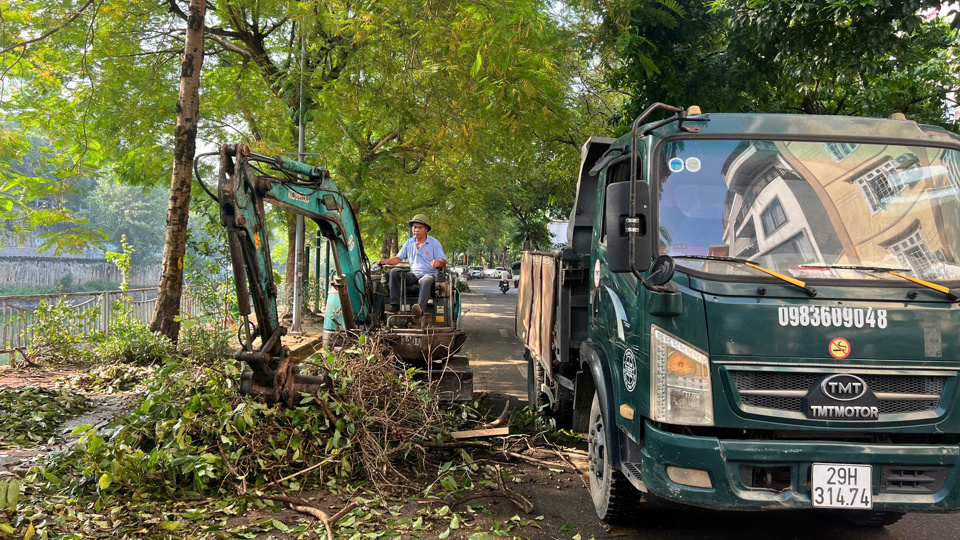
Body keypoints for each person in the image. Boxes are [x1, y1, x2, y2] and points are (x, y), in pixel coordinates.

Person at [377, 214, 446, 316]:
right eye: (414, 227)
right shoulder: (409, 243)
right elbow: (397, 259)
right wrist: (385, 261)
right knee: (394, 272)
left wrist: (438, 262)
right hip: (413, 275)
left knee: (425, 280)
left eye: (420, 227)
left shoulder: (434, 243)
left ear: (426, 229)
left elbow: (443, 261)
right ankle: (395, 305)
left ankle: (419, 309)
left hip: (429, 275)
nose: (416, 230)